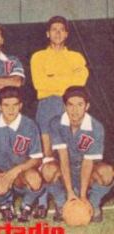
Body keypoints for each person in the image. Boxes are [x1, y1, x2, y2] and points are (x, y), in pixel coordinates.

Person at [31, 16, 89, 218]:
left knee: (71, 154)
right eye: (53, 29)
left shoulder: (76, 57)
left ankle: (68, 199)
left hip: (69, 107)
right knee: (47, 156)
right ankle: (42, 201)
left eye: (61, 30)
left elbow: (79, 82)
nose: (57, 33)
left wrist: (53, 79)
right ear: (47, 33)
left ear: (66, 34)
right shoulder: (38, 56)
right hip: (47, 106)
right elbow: (40, 84)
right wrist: (66, 79)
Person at [40, 86, 113, 222]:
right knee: (47, 169)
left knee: (107, 172)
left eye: (80, 105)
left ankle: (92, 204)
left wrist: (83, 196)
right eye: (70, 105)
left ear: (87, 106)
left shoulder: (96, 127)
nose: (75, 110)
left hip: (87, 170)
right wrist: (70, 192)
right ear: (64, 106)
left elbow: (88, 162)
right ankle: (62, 204)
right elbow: (63, 158)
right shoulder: (56, 123)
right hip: (66, 170)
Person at [0, 86, 43, 222]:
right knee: (0, 184)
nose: (11, 109)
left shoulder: (29, 125)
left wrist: (16, 170)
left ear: (21, 106)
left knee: (35, 178)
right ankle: (5, 205)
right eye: (6, 105)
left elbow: (36, 158)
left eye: (15, 105)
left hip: (21, 172)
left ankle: (27, 206)